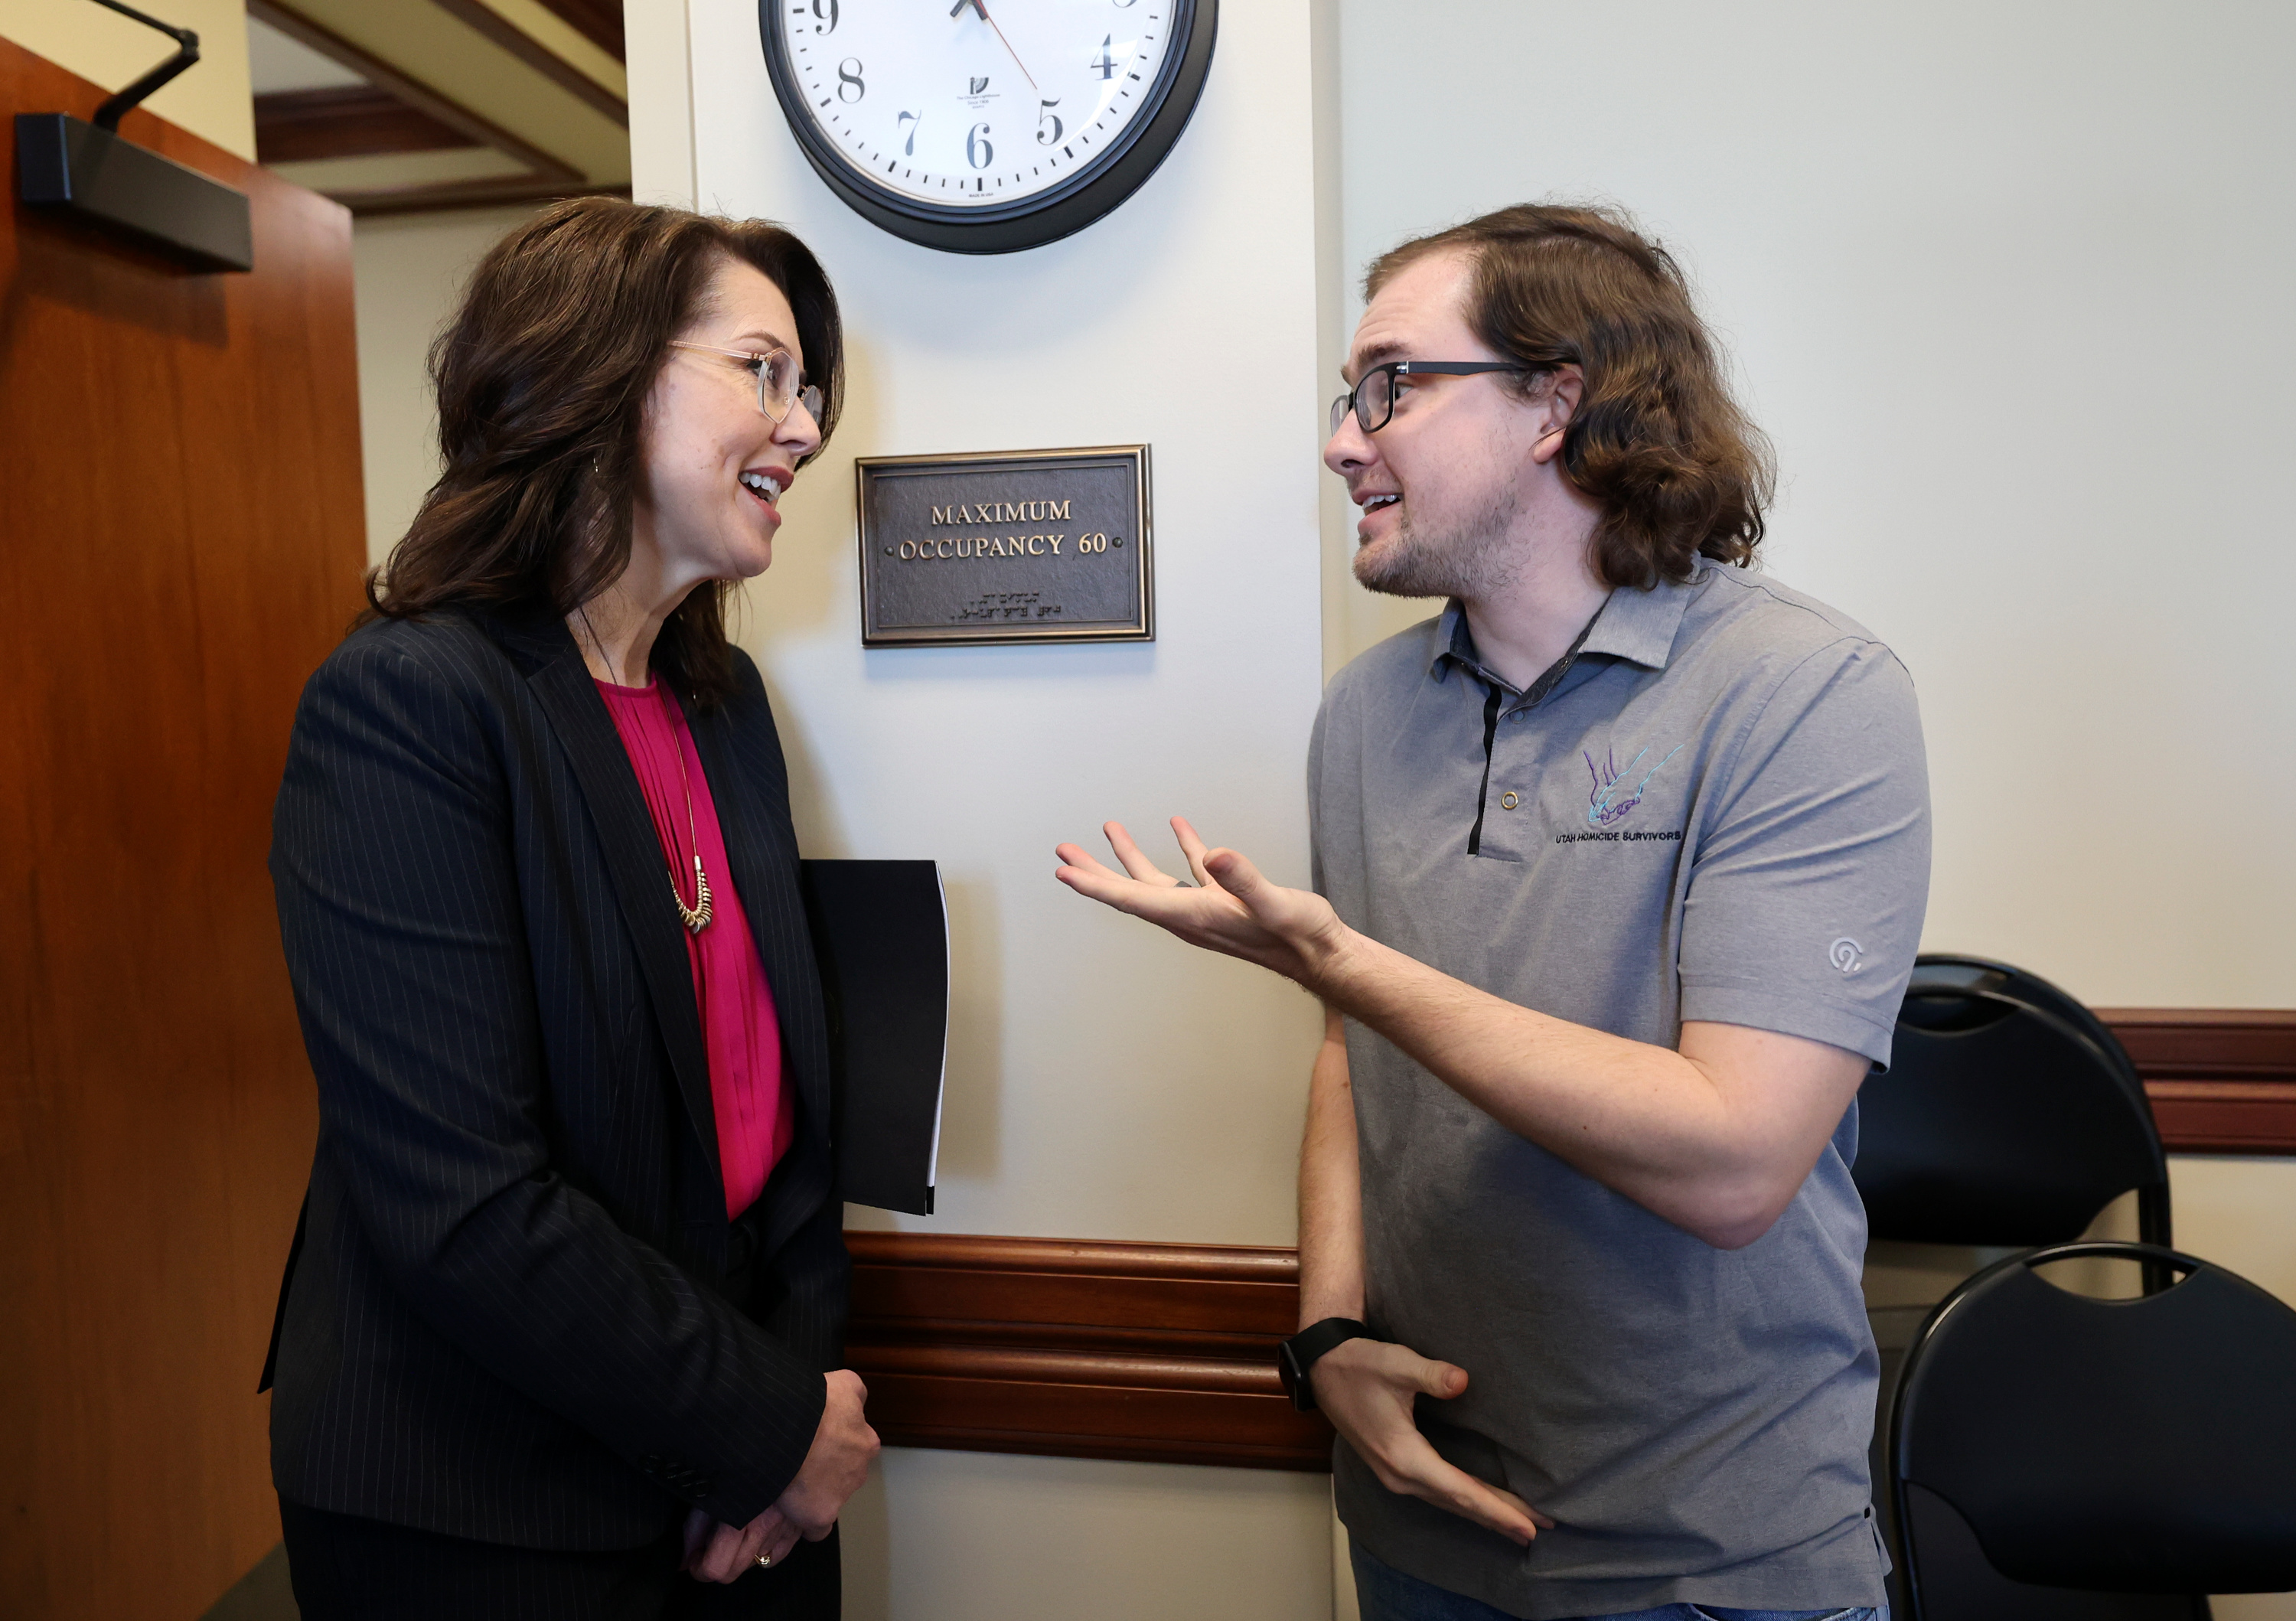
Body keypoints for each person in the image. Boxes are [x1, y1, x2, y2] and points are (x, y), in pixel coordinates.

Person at [1055, 203, 1925, 1620]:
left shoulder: (1807, 695)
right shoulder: (1365, 713)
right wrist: (1325, 1330)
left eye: (1391, 384)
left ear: (1554, 405)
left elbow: (1734, 1163)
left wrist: (1337, 957)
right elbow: (1355, 1054)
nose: (1345, 440)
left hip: (1708, 1564)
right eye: (1350, 396)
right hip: (1419, 1527)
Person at [264, 198, 878, 1619]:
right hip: (483, 1510)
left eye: (810, 391)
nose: (802, 429)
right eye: (763, 372)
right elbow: (465, 1203)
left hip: (744, 1490)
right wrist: (763, 1429)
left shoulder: (723, 708)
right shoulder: (409, 702)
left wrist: (780, 1428)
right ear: (599, 372)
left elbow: (782, 1124)